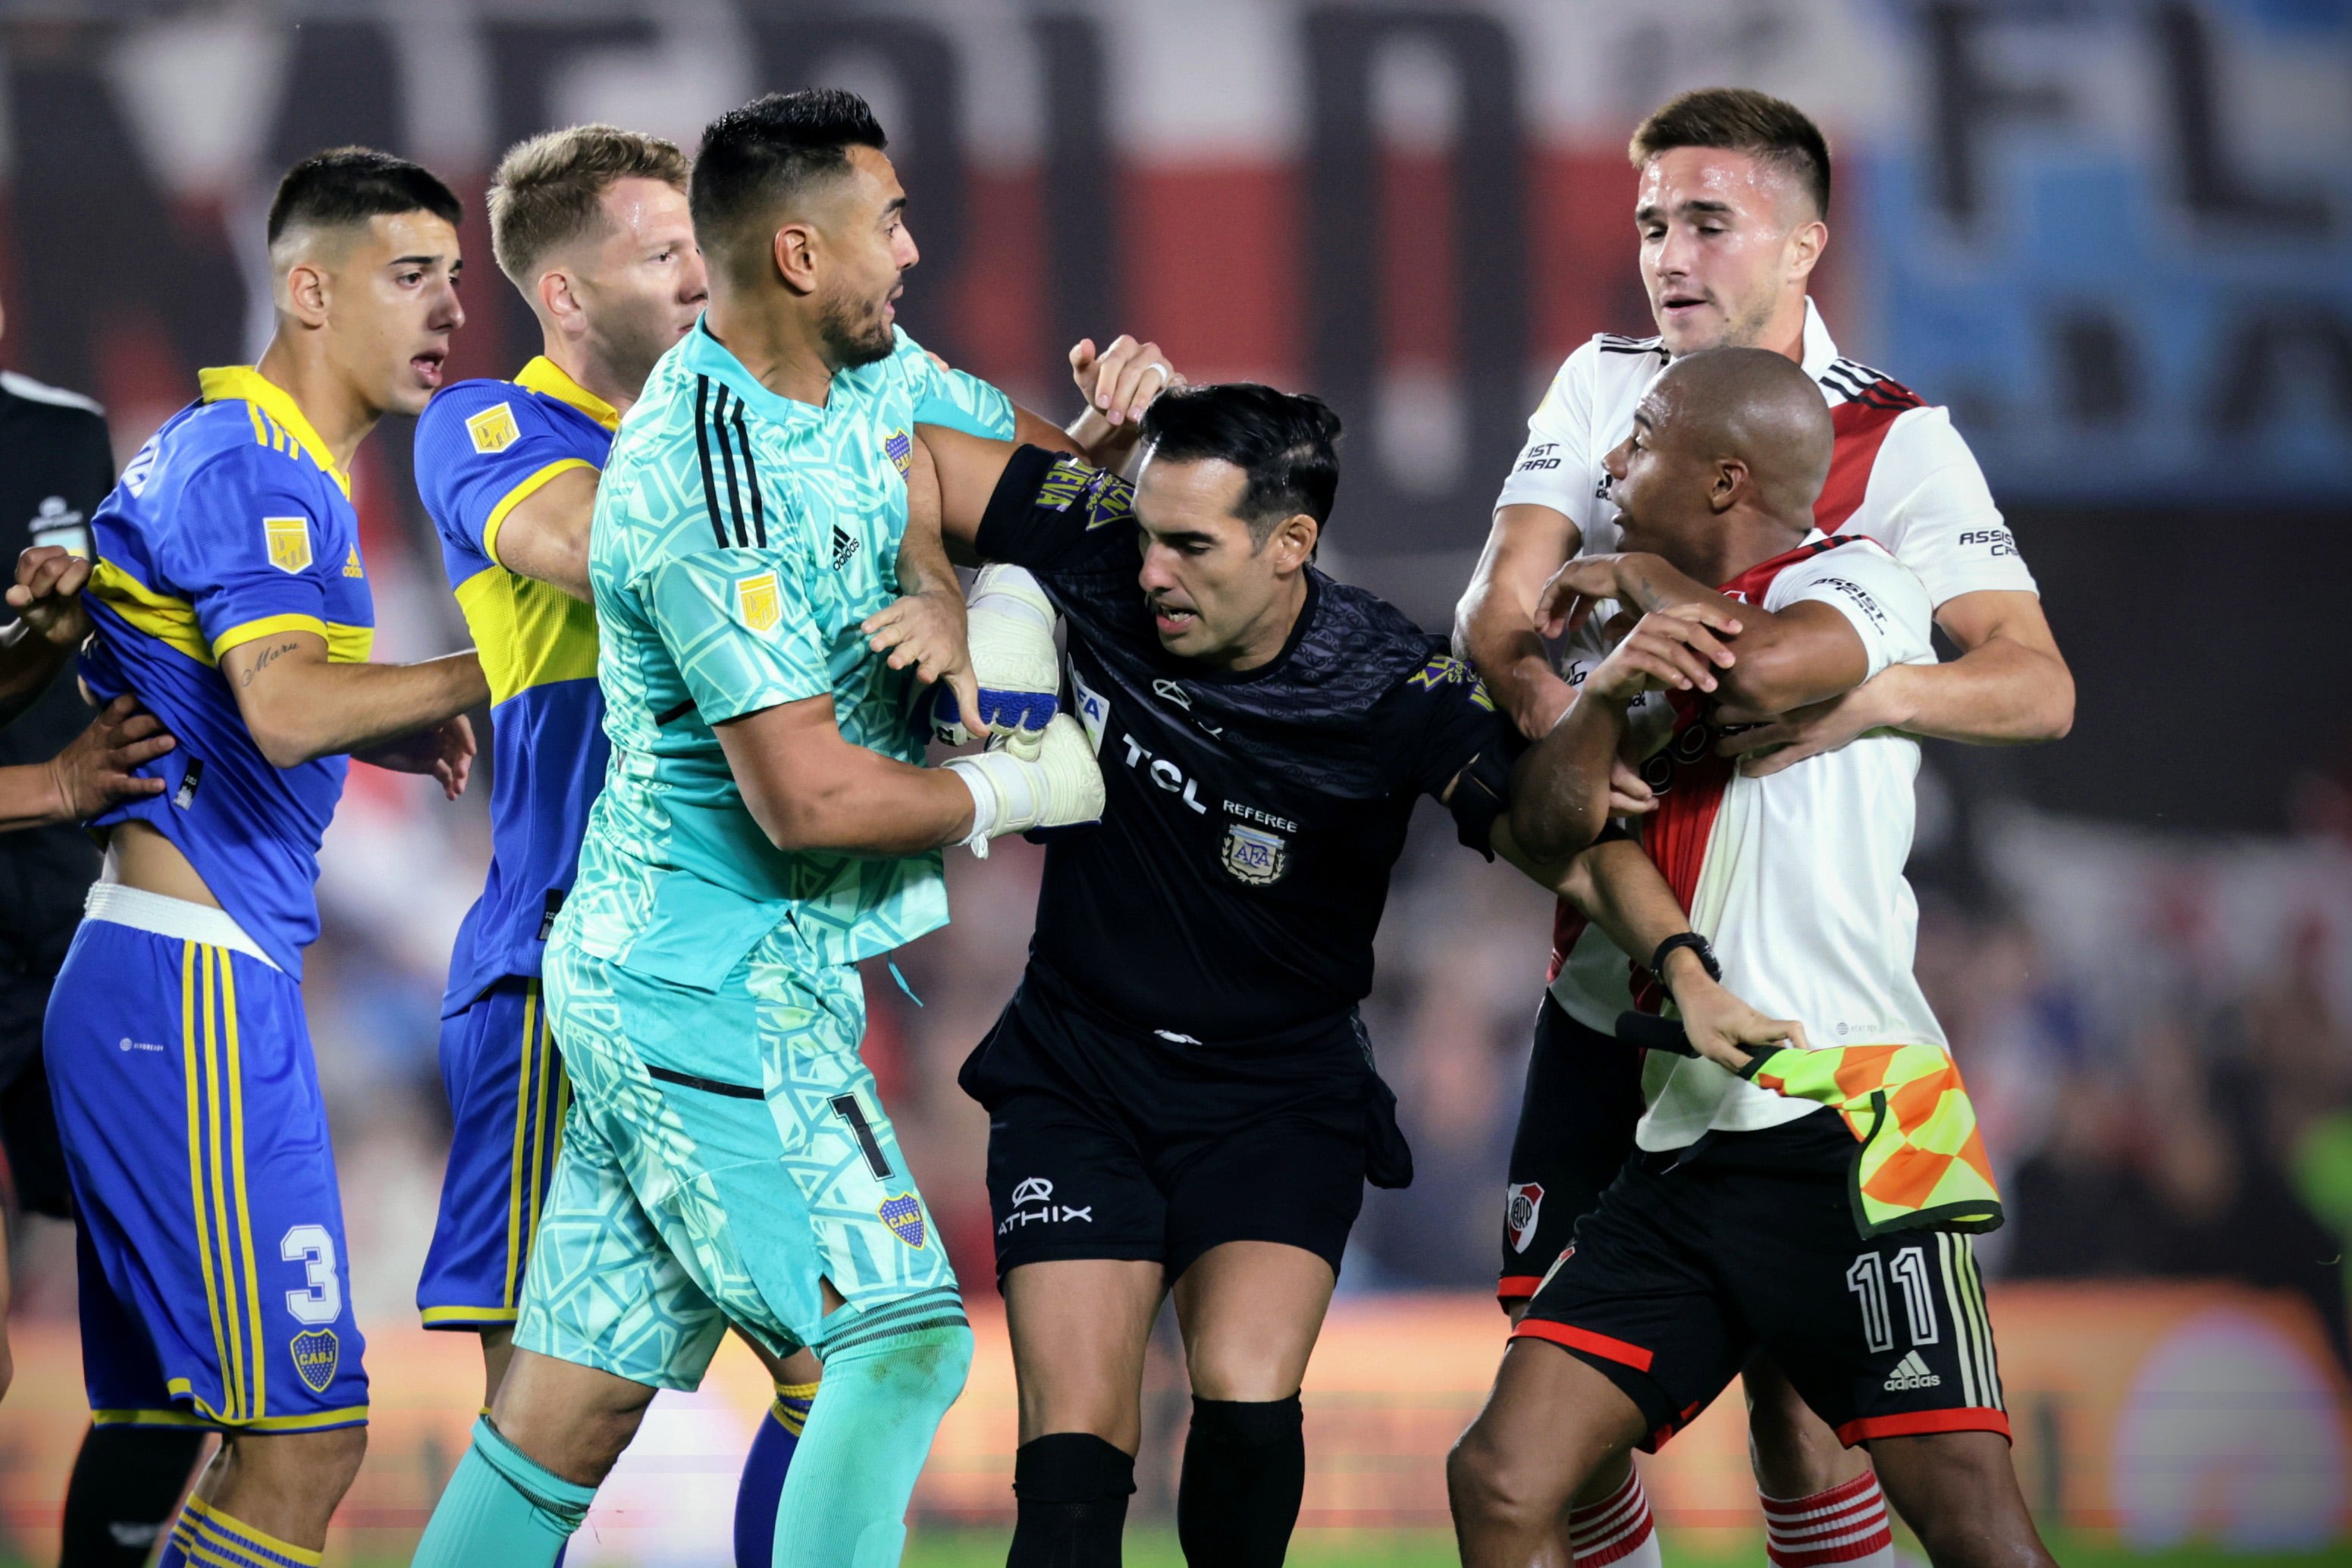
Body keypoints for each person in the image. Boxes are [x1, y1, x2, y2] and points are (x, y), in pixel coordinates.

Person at [406, 117, 1159, 1568]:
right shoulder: (699, 469)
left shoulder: (881, 370)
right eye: (891, 219)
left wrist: (978, 568)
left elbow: (1039, 492)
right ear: (802, 253)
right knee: (898, 1348)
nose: (914, 249)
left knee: (561, 1419)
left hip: (753, 967)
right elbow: (803, 801)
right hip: (699, 977)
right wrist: (1022, 788)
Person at [909, 381, 1794, 1568]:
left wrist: (1683, 967)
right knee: (1071, 1466)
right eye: (1145, 532)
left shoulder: (1388, 683)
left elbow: (1563, 846)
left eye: (1190, 544)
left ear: (1290, 546)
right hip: (1079, 1072)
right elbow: (914, 455)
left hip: (1278, 1097)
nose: (1151, 570)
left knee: (1242, 1407)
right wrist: (940, 591)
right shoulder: (1098, 540)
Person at [1454, 86, 2074, 1563]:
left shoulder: (1890, 458)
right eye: (1651, 221)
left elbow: (2036, 684)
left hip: (1837, 1056)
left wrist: (1867, 696)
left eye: (1707, 220)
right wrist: (1576, 716)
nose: (1668, 253)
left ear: (1805, 241)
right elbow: (1499, 613)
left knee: (1808, 1411)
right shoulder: (1602, 384)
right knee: (1554, 1430)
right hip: (1617, 1002)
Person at [43, 147, 490, 1568]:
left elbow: (235, 705)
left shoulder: (231, 455)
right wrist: (499, 666)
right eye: (409, 276)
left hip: (167, 977)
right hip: (188, 1001)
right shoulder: (261, 476)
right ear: (306, 288)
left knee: (174, 1435)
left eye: (456, 281)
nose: (447, 313)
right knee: (308, 1439)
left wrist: (395, 731)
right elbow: (285, 704)